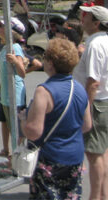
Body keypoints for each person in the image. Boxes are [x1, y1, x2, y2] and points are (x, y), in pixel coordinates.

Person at [20, 37, 91, 199]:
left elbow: (33, 132)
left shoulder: (44, 91)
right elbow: (86, 125)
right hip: (74, 156)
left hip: (50, 158)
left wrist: (23, 119)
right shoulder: (79, 89)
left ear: (51, 63)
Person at [73, 5, 108, 200]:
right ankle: (103, 195)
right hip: (104, 102)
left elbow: (93, 82)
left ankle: (95, 197)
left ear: (96, 23)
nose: (82, 18)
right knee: (102, 153)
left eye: (87, 16)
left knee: (94, 155)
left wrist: (85, 109)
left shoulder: (95, 44)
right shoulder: (102, 40)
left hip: (95, 104)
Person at [0, 17, 27, 158]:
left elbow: (22, 73)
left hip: (14, 95)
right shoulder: (5, 48)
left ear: (11, 32)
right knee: (5, 122)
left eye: (2, 27)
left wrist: (16, 61)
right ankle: (6, 150)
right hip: (5, 93)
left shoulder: (15, 48)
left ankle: (17, 157)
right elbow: (4, 74)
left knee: (16, 128)